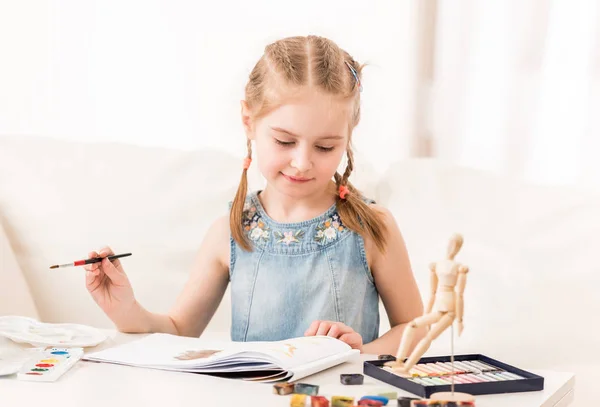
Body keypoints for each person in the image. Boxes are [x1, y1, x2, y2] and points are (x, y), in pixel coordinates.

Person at [85, 35, 425, 354]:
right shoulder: (228, 232)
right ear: (249, 120)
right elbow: (177, 330)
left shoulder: (373, 228)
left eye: (325, 146)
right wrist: (126, 309)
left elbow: (416, 328)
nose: (302, 162)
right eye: (285, 141)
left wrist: (361, 353)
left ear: (349, 134)